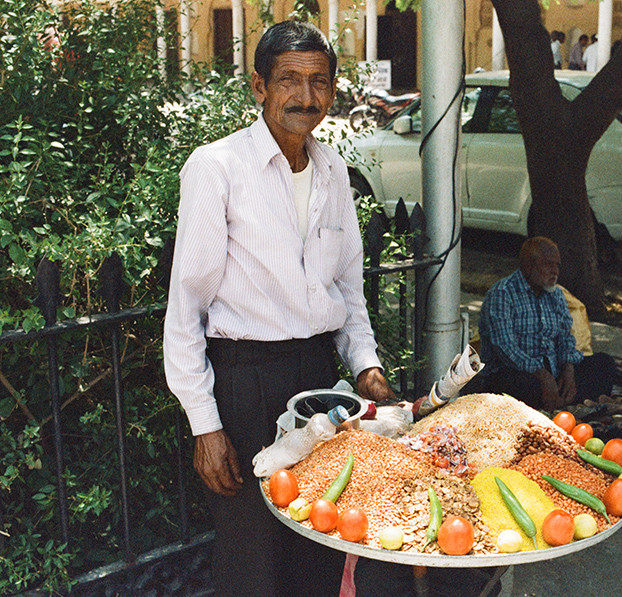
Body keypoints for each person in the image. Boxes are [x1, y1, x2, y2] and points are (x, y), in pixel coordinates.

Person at [163, 21, 394, 597]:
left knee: (319, 544)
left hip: (318, 381)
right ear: (259, 86)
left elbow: (348, 290)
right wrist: (206, 425)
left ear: (334, 91)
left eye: (319, 82)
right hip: (244, 386)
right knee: (252, 563)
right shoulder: (217, 168)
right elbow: (186, 306)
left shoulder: (334, 171)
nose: (306, 97)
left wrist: (365, 366)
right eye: (289, 80)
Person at [466, 237, 620, 411]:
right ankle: (562, 401)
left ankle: (560, 399)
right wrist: (542, 376)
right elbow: (505, 348)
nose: (555, 271)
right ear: (528, 265)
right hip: (516, 373)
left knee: (604, 364)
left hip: (552, 372)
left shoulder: (555, 294)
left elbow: (565, 338)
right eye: (548, 265)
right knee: (523, 387)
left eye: (557, 266)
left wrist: (568, 372)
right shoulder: (502, 293)